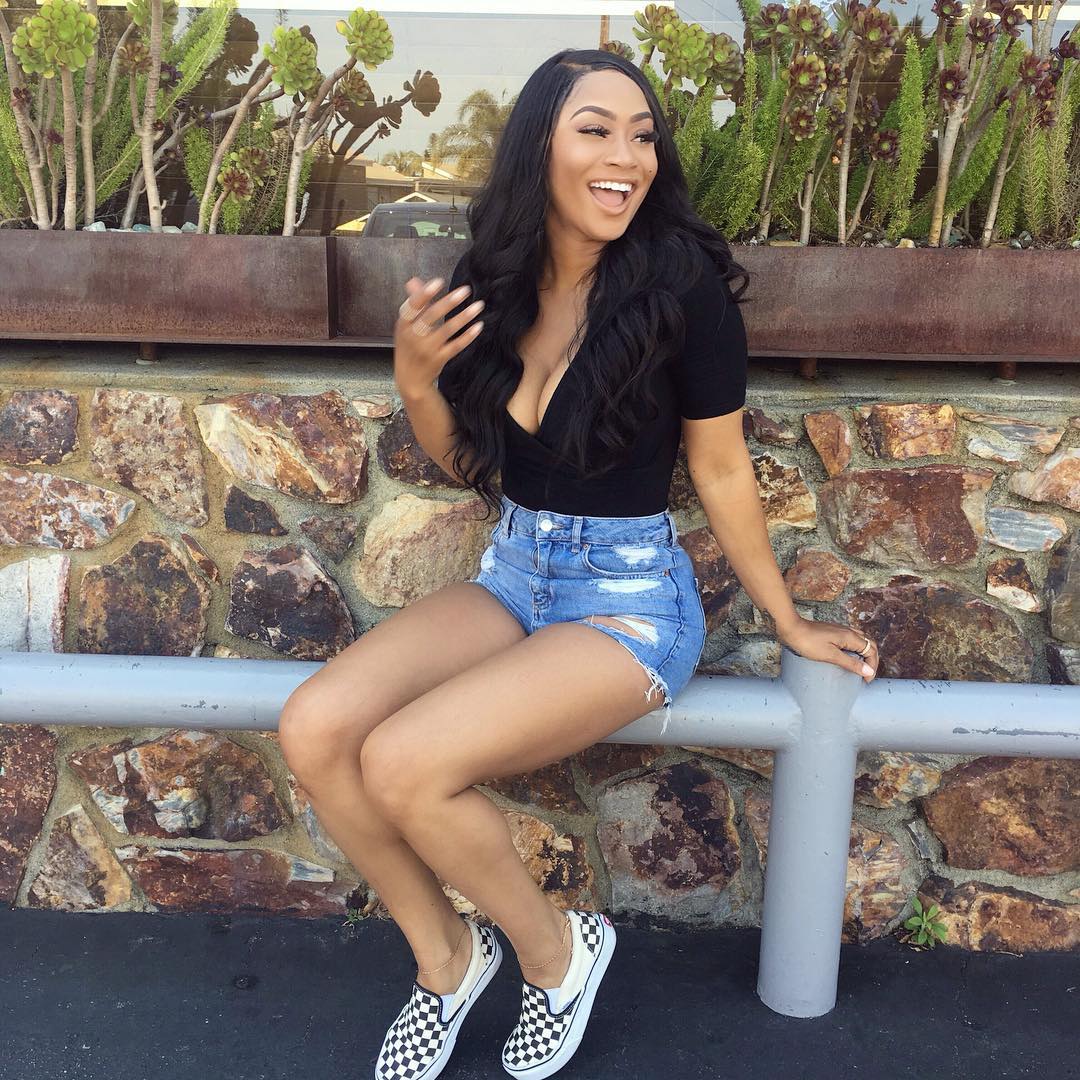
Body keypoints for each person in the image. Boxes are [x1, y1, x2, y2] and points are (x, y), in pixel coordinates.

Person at [278, 46, 879, 1080]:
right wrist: (415, 380)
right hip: (516, 572)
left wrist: (786, 617)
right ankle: (446, 961)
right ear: (538, 149)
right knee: (317, 728)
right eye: (595, 130)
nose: (626, 157)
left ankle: (557, 954)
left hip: (630, 601)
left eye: (642, 136)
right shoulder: (494, 284)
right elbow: (477, 465)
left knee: (406, 764)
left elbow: (720, 468)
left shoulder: (679, 283)